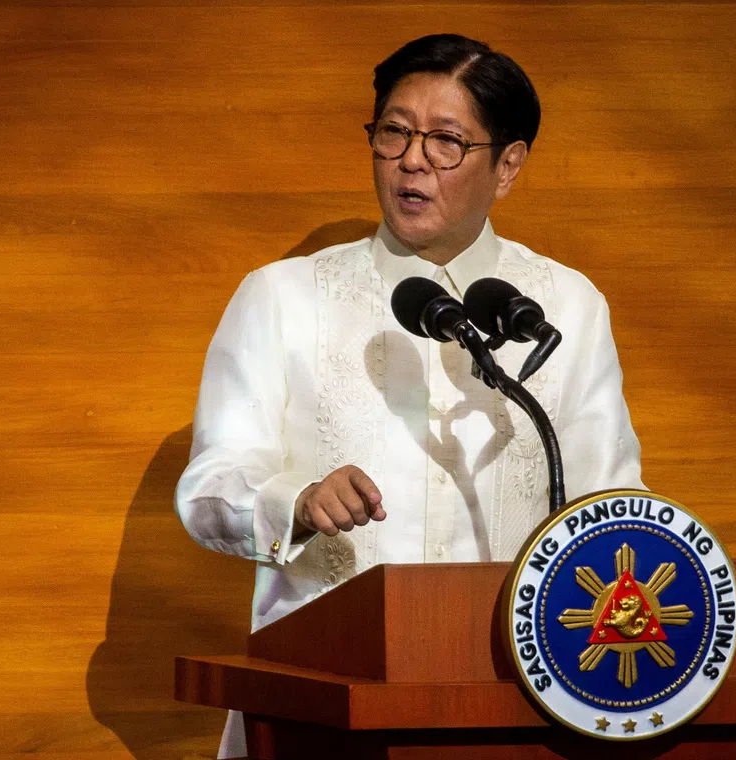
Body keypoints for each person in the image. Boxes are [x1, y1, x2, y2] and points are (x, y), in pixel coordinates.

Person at [175, 34, 644, 757]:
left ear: (509, 165)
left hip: (513, 704)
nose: (412, 158)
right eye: (394, 131)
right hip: (322, 700)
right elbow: (210, 486)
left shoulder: (565, 308)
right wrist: (293, 502)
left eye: (447, 140)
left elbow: (609, 500)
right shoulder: (284, 297)